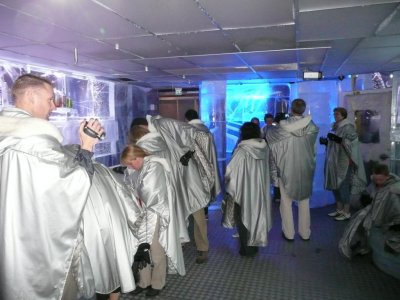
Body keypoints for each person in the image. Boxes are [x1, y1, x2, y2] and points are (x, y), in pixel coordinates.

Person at [0, 74, 103, 299]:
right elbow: (70, 183)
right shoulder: (34, 142)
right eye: (49, 99)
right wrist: (87, 146)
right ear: (30, 96)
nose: (54, 106)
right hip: (39, 251)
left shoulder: (9, 136)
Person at [148, 115, 214, 264]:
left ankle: (202, 247)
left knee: (198, 215)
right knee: (178, 212)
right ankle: (181, 242)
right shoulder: (160, 141)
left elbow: (192, 132)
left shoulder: (166, 126)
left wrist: (189, 153)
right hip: (175, 182)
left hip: (190, 180)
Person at [121, 144, 185, 298]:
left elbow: (149, 192)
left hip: (156, 213)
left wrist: (133, 191)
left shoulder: (154, 166)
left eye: (131, 162)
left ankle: (158, 283)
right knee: (141, 248)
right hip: (143, 214)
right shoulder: (142, 167)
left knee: (155, 249)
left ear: (138, 156)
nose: (130, 166)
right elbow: (130, 187)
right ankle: (144, 282)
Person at [266, 99, 319, 241]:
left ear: (291, 108)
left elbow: (269, 138)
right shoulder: (312, 127)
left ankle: (289, 234)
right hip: (306, 168)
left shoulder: (280, 128)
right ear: (304, 109)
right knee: (304, 201)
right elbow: (313, 150)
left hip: (286, 168)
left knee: (286, 201)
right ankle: (305, 233)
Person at [222, 122, 272, 256]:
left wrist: (227, 182)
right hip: (260, 190)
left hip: (244, 190)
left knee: (243, 218)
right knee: (256, 216)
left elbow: (230, 170)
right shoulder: (265, 147)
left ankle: (246, 249)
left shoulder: (242, 150)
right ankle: (255, 245)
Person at [339, 164, 400, 259]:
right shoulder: (374, 183)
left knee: (365, 222)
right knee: (358, 221)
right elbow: (367, 192)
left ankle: (363, 244)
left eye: (381, 180)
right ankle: (358, 244)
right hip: (373, 211)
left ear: (387, 177)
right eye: (376, 180)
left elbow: (395, 206)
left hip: (386, 215)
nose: (378, 182)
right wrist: (365, 198)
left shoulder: (394, 188)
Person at [321, 107, 367, 221]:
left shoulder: (348, 127)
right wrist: (327, 142)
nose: (335, 116)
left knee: (343, 185)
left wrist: (338, 139)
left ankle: (347, 212)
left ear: (343, 115)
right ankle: (339, 209)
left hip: (344, 160)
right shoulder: (335, 126)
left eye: (337, 114)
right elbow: (334, 144)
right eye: (334, 114)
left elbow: (353, 142)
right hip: (334, 160)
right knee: (335, 185)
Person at [184, 109, 222, 217]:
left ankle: (196, 212)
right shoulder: (207, 130)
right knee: (206, 186)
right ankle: (205, 211)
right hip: (208, 164)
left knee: (195, 188)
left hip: (193, 165)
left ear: (187, 119)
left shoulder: (188, 131)